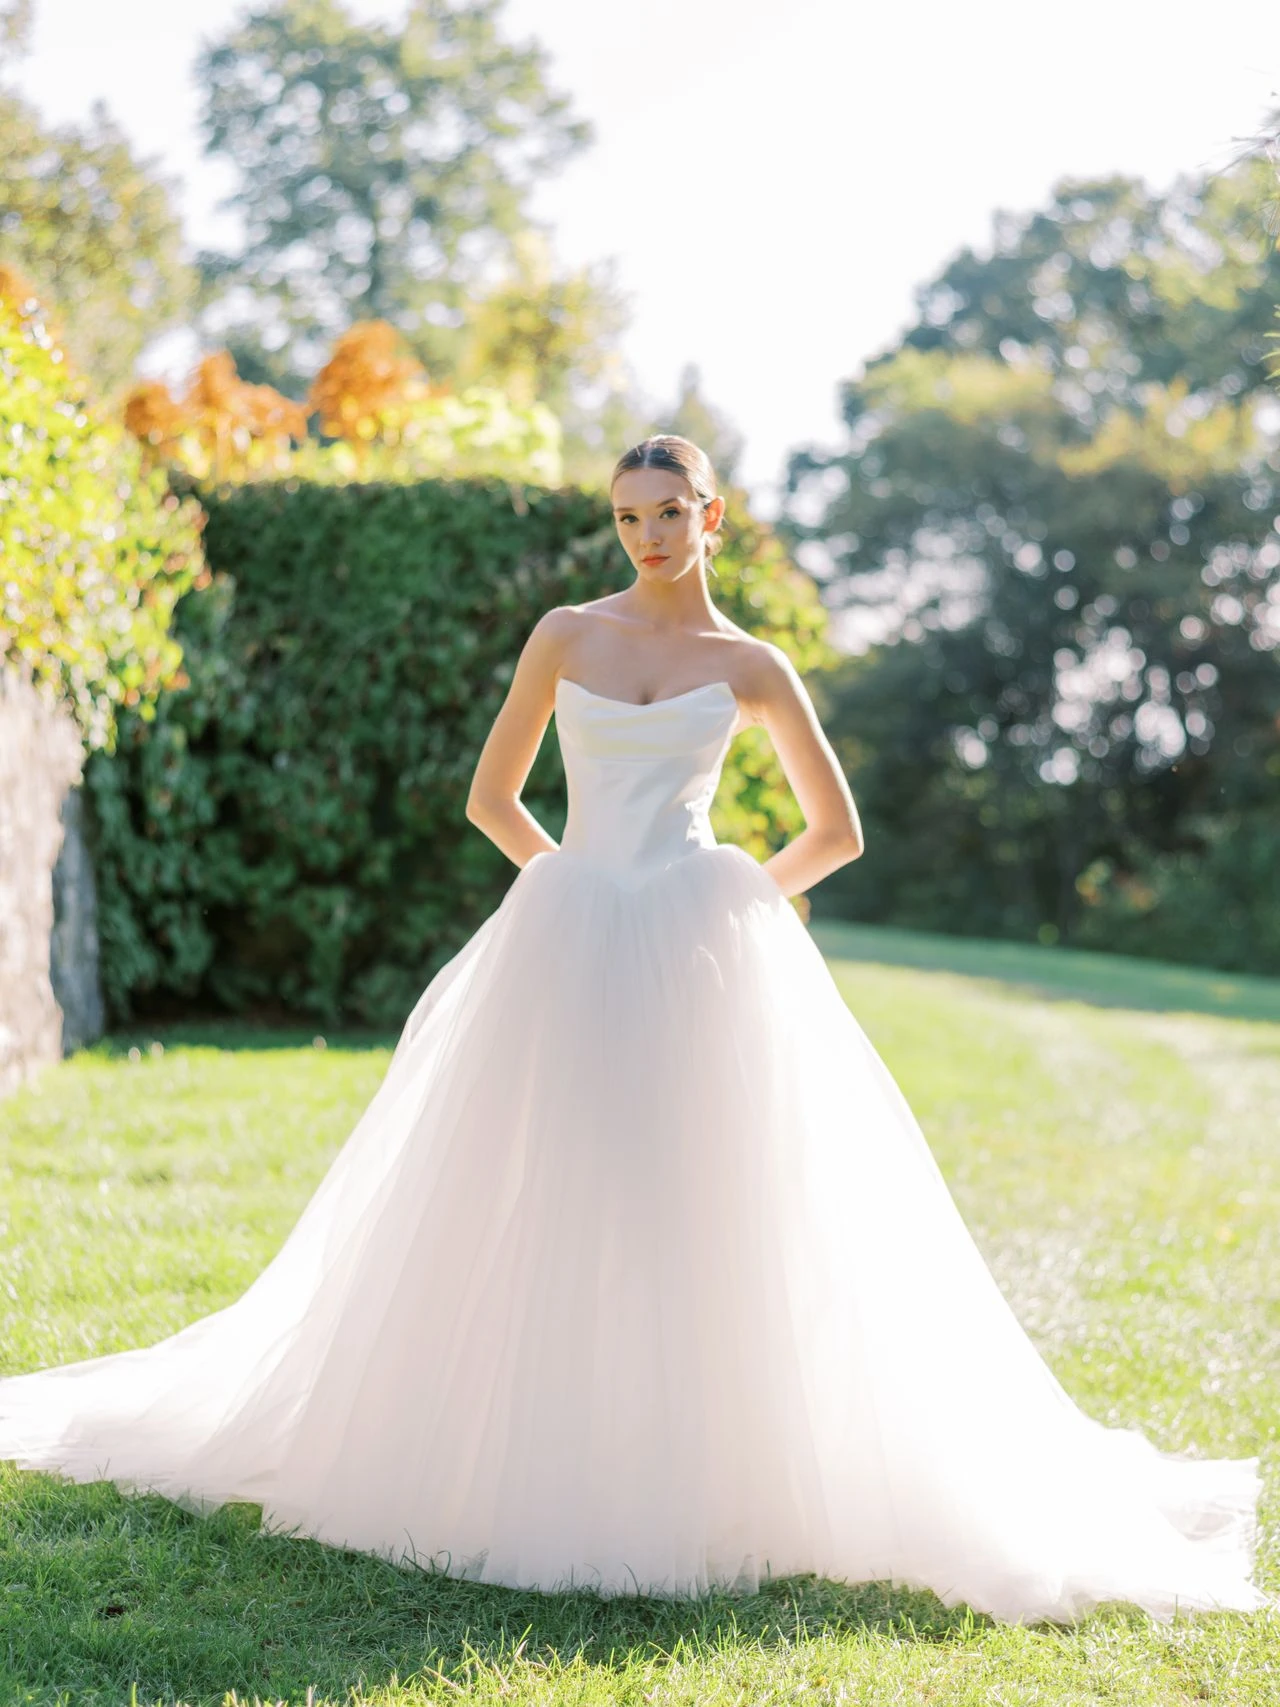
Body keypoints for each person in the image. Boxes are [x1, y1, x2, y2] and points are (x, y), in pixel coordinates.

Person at [0, 435, 1271, 1627]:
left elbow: (837, 835)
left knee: (703, 1199)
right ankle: (522, 1450)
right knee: (530, 1185)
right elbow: (491, 796)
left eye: (667, 515)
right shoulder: (564, 635)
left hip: (697, 945)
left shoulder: (749, 666)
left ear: (710, 517)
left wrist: (720, 901)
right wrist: (570, 882)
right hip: (565, 933)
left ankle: (710, 1465)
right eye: (625, 518)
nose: (646, 536)